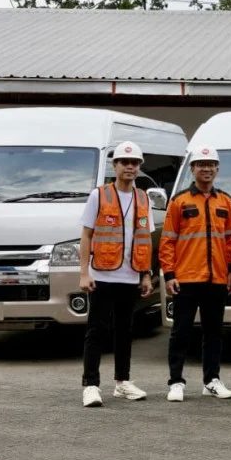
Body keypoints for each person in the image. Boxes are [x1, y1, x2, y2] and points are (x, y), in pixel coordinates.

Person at [77, 141, 153, 408]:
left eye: (135, 163)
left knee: (125, 331)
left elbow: (145, 238)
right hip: (102, 274)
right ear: (115, 166)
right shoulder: (99, 195)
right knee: (96, 330)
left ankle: (122, 382)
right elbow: (86, 235)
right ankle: (91, 385)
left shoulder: (143, 197)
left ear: (139, 167)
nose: (130, 167)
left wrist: (146, 275)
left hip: (130, 276)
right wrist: (84, 272)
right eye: (125, 162)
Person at [161, 145, 231, 402]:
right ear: (192, 169)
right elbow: (168, 241)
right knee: (180, 331)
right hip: (186, 278)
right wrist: (169, 274)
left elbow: (230, 242)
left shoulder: (226, 202)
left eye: (211, 164)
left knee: (214, 332)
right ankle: (175, 382)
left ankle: (211, 380)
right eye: (200, 165)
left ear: (217, 169)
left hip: (216, 278)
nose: (206, 169)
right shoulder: (179, 202)